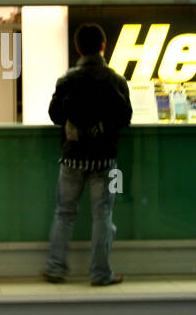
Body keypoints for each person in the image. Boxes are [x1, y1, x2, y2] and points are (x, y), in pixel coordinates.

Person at [43, 23, 133, 286]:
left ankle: (56, 268)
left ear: (78, 48)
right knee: (103, 215)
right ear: (103, 47)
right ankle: (101, 273)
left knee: (64, 213)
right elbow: (125, 118)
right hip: (105, 161)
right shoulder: (115, 80)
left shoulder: (68, 79)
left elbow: (55, 115)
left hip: (71, 158)